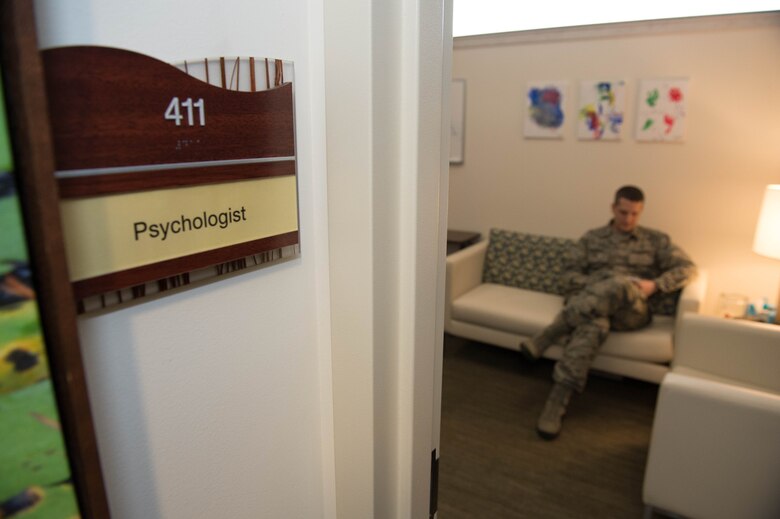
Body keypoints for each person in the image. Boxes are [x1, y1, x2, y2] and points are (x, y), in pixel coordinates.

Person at [520, 185, 697, 440]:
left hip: (633, 312)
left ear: (641, 212)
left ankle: (548, 335)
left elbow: (688, 268)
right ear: (613, 208)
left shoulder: (656, 240)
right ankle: (556, 402)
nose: (629, 219)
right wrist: (601, 285)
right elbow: (568, 277)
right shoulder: (592, 238)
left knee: (619, 284)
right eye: (624, 212)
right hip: (594, 311)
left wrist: (656, 285)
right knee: (595, 325)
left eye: (635, 214)